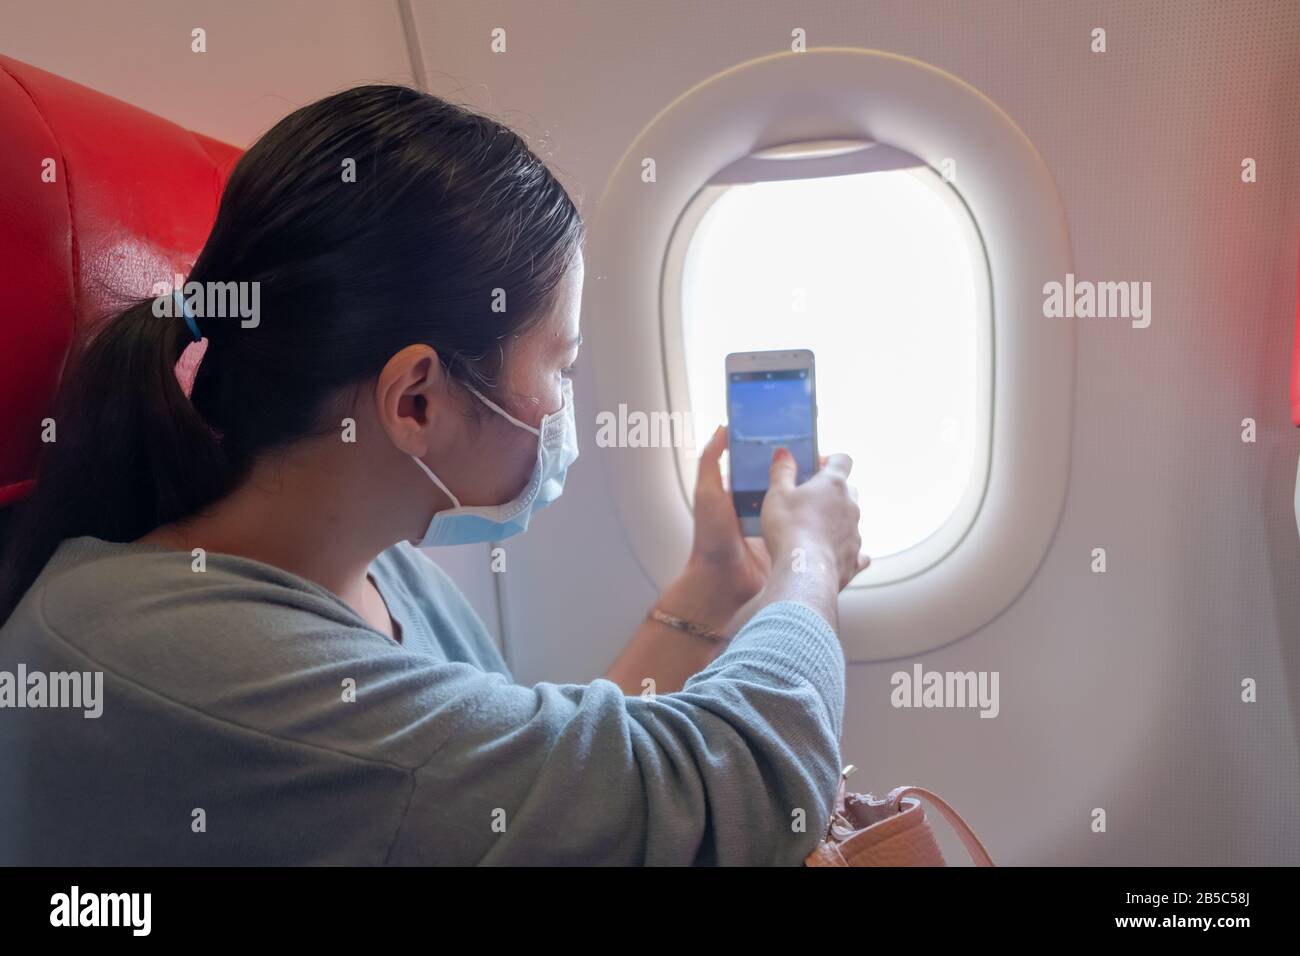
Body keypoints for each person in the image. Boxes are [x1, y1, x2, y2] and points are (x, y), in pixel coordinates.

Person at [0, 85, 868, 865]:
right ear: (416, 399)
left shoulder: (385, 568)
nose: (566, 405)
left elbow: (543, 791)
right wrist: (810, 565)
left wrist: (712, 585)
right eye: (559, 366)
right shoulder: (157, 659)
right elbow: (745, 789)